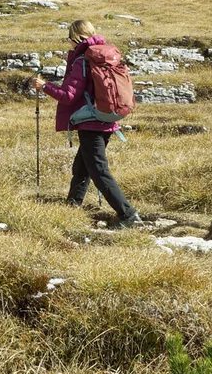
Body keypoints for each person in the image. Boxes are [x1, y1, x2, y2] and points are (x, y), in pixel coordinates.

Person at [33, 19, 141, 228]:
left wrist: (44, 86)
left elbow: (68, 95)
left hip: (90, 122)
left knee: (99, 170)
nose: (69, 43)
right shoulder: (105, 57)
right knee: (82, 167)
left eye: (69, 39)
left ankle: (128, 214)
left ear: (75, 37)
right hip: (107, 118)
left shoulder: (82, 60)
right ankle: (72, 206)